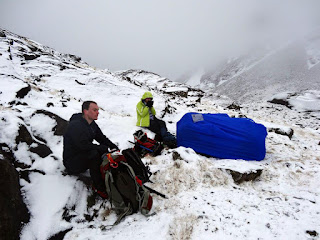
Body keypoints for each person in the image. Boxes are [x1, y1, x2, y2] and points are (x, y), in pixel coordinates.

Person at [63, 101, 118, 198]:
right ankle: (99, 187)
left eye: (98, 110)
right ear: (86, 111)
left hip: (82, 156)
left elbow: (101, 138)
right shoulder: (76, 125)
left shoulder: (92, 124)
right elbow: (83, 145)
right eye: (94, 110)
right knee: (94, 154)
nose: (97, 112)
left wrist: (113, 147)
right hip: (72, 162)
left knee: (103, 152)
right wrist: (102, 148)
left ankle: (110, 179)